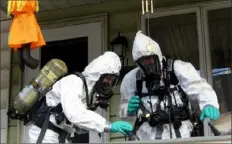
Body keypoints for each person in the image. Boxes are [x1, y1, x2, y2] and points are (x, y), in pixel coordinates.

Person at [119, 31, 220, 140]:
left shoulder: (178, 68)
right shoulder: (132, 78)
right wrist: (128, 109)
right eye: (143, 61)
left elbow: (200, 88)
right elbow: (123, 110)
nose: (148, 63)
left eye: (150, 59)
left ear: (157, 55)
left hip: (181, 133)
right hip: (147, 136)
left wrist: (209, 104)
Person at [26, 51, 133, 143]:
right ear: (98, 73)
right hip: (46, 135)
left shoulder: (87, 93)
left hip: (61, 136)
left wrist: (88, 127)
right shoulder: (73, 82)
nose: (109, 82)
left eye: (112, 80)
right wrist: (108, 126)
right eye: (108, 77)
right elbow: (75, 114)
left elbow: (75, 123)